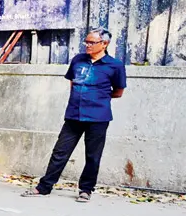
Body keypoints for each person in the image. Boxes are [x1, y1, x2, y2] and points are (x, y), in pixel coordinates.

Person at [23, 27, 127, 202]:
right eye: (86, 42)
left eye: (92, 42)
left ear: (104, 44)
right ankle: (44, 187)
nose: (87, 45)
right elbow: (73, 83)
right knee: (60, 152)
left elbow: (118, 92)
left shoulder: (115, 65)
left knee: (93, 155)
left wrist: (97, 97)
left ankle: (86, 190)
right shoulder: (78, 60)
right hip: (74, 115)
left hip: (98, 117)